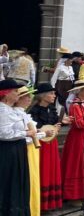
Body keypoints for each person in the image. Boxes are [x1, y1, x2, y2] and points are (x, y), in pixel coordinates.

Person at [29, 83, 69, 211]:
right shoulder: (33, 111)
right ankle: (39, 203)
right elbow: (33, 130)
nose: (54, 95)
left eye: (54, 93)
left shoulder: (52, 108)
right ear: (42, 95)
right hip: (40, 145)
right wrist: (44, 131)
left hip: (52, 143)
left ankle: (50, 203)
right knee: (42, 170)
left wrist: (60, 124)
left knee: (52, 170)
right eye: (51, 93)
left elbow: (54, 125)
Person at [15, 85, 52, 216]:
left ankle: (33, 209)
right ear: (18, 99)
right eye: (26, 97)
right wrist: (42, 134)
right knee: (29, 179)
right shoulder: (16, 115)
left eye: (29, 96)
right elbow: (23, 136)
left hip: (32, 150)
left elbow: (31, 133)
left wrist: (41, 133)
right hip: (26, 150)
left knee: (34, 179)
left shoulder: (23, 114)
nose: (29, 99)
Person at [0, 79, 34, 216]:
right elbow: (3, 133)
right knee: (9, 184)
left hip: (17, 150)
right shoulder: (2, 111)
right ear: (6, 93)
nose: (17, 94)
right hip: (8, 152)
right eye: (15, 91)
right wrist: (27, 133)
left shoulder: (10, 110)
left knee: (17, 184)